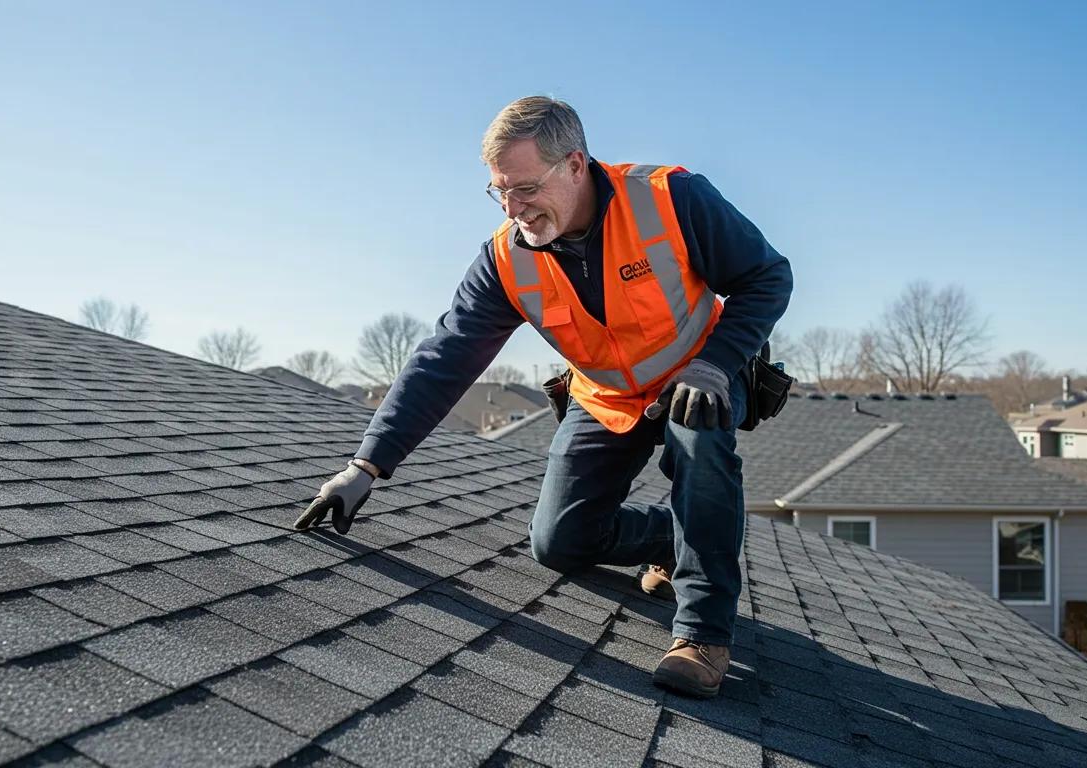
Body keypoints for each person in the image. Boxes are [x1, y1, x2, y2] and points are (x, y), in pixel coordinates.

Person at [297, 96, 792, 698]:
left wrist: (716, 364)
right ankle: (673, 535)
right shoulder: (506, 257)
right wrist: (365, 466)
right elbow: (445, 358)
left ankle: (703, 634)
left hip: (700, 375)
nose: (513, 208)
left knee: (699, 441)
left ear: (576, 164)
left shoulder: (672, 199)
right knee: (558, 542)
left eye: (526, 187)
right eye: (499, 191)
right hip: (608, 393)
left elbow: (768, 276)